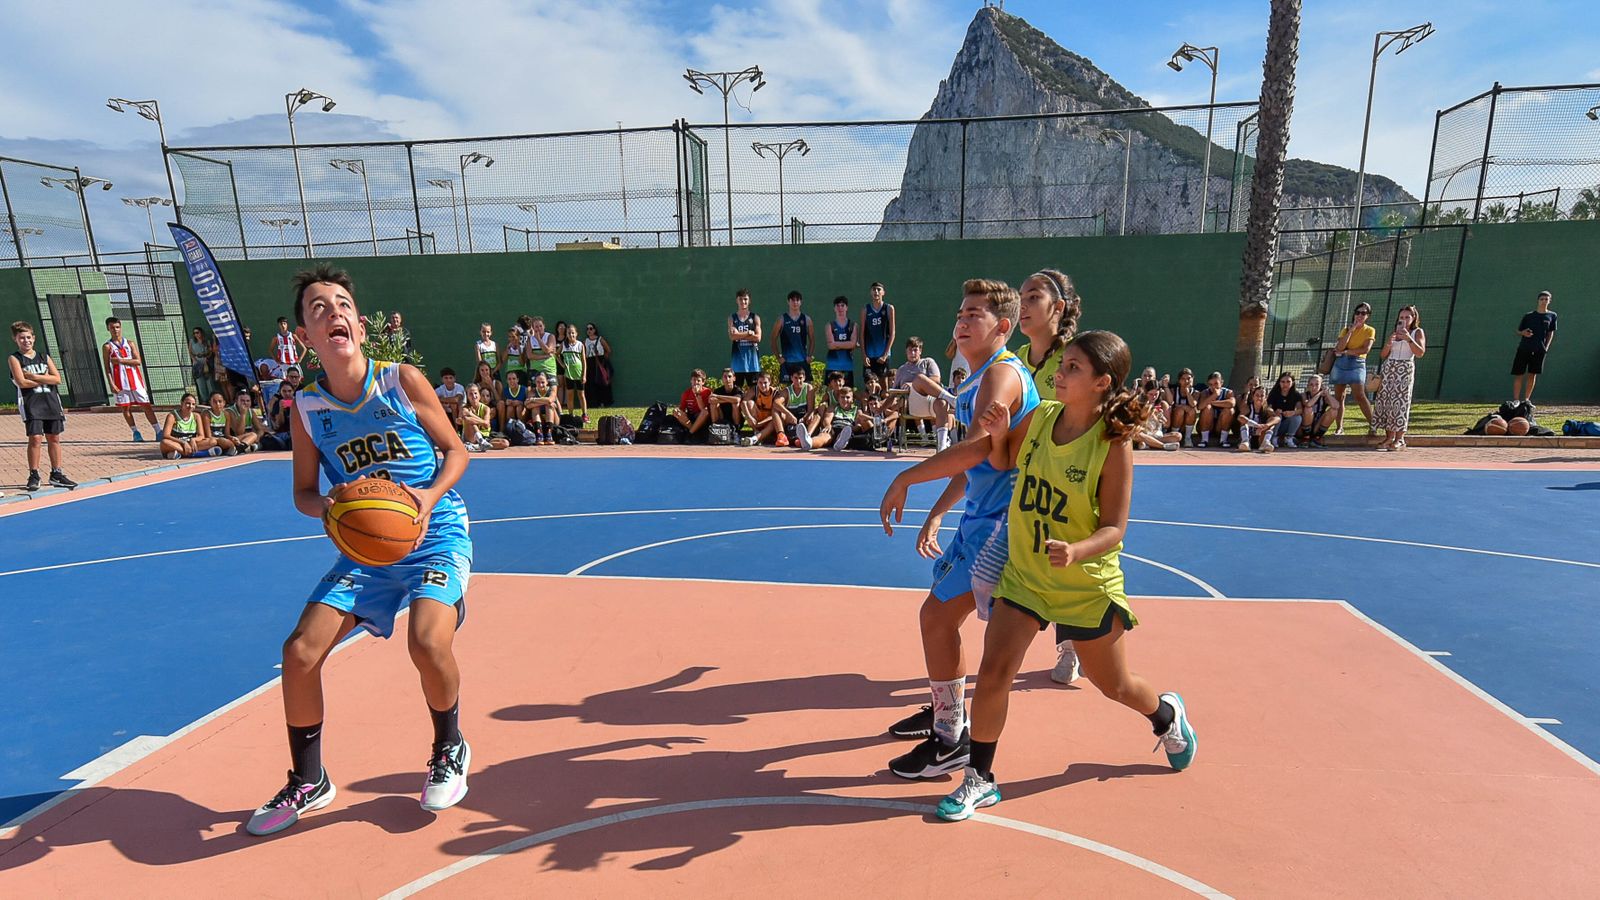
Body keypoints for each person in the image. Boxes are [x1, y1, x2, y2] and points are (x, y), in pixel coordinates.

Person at [880, 330, 1196, 822]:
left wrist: (1076, 549)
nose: (1060, 374)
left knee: (1113, 684)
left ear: (1101, 383)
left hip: (1083, 583)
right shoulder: (1042, 416)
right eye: (1062, 364)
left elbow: (1114, 527)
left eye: (1072, 368)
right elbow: (999, 460)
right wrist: (1001, 434)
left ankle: (1165, 715)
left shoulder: (1112, 445)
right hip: (1025, 574)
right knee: (994, 673)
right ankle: (980, 779)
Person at [245, 264, 472, 837]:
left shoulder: (401, 381)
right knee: (298, 653)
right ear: (304, 336)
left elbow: (456, 452)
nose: (333, 313)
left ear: (361, 326)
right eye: (318, 308)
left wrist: (425, 497)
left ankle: (450, 747)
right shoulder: (309, 409)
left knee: (426, 640)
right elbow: (302, 493)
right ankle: (309, 779)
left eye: (342, 304)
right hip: (366, 553)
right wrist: (331, 505)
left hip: (433, 532)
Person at [876, 278, 1040, 780]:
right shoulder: (976, 378)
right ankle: (948, 720)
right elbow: (978, 467)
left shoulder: (1003, 377)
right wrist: (938, 511)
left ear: (1003, 327)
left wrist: (906, 477)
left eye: (975, 314)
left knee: (937, 618)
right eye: (961, 313)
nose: (963, 321)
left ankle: (951, 736)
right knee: (939, 619)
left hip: (1004, 524)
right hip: (981, 517)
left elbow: (973, 450)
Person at [1010, 269, 1086, 683]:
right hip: (1021, 479)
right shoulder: (1017, 359)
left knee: (1062, 564)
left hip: (1064, 480)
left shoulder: (1075, 357)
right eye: (1021, 295)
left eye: (1033, 296)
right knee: (1021, 562)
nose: (1023, 303)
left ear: (1058, 308)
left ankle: (1070, 645)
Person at [9, 321, 77, 491]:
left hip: (51, 403)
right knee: (35, 439)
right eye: (22, 338)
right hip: (32, 404)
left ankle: (56, 473)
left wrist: (34, 376)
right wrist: (44, 377)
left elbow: (57, 379)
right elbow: (21, 382)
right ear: (15, 339)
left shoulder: (44, 357)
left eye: (28, 337)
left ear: (34, 338)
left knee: (54, 437)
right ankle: (34, 474)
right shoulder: (14, 358)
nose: (26, 341)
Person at [1374, 305, 1426, 452]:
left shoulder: (1417, 332)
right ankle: (1388, 437)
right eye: (1401, 317)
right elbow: (1383, 355)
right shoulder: (1395, 332)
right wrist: (1389, 343)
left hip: (1405, 369)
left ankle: (1399, 439)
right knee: (1388, 402)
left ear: (1414, 318)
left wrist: (1408, 338)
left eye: (1407, 317)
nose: (1404, 320)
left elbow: (1420, 352)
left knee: (1401, 403)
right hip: (1390, 368)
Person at [103, 316, 161, 442]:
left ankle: (158, 430)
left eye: (117, 327)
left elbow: (138, 361)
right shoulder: (107, 347)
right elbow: (107, 368)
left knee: (146, 405)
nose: (115, 330)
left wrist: (120, 360)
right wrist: (111, 384)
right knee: (125, 408)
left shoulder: (129, 343)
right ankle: (135, 432)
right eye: (112, 327)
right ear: (108, 328)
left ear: (121, 327)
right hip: (120, 382)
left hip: (135, 380)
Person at [1329, 303, 1377, 435]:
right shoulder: (1346, 329)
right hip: (1341, 364)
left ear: (1367, 316)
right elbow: (1339, 347)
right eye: (1358, 312)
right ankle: (1339, 428)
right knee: (1339, 396)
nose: (1360, 316)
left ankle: (1373, 425)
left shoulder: (1369, 330)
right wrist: (1351, 331)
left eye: (1364, 313)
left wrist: (1348, 352)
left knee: (1360, 395)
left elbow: (1365, 349)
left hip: (1357, 363)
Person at [1511, 291, 1556, 405]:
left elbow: (1550, 333)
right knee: (1519, 373)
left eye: (1546, 299)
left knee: (1532, 374)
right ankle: (1516, 400)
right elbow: (1518, 330)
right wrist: (1523, 333)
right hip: (1524, 348)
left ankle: (1526, 400)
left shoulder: (1552, 316)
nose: (1544, 301)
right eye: (1542, 299)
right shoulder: (1529, 316)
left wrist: (1546, 347)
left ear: (1549, 301)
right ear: (1538, 300)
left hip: (1539, 350)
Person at [160, 392, 222, 460]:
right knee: (164, 443)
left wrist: (193, 440)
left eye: (193, 404)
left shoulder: (196, 416)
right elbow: (166, 435)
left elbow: (201, 436)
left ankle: (180, 454)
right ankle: (200, 454)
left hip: (191, 444)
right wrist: (183, 442)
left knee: (213, 441)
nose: (190, 406)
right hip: (178, 444)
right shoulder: (172, 416)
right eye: (188, 403)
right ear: (182, 403)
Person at [740, 371, 791, 447]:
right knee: (749, 403)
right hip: (757, 422)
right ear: (757, 382)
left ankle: (755, 439)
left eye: (765, 383)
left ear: (770, 382)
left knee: (779, 416)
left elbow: (777, 415)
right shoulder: (754, 390)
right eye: (760, 383)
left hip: (770, 423)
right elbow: (743, 403)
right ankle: (756, 432)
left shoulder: (776, 394)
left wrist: (761, 423)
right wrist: (749, 417)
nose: (763, 385)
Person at [860, 281, 896, 384]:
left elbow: (892, 332)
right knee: (869, 385)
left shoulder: (889, 308)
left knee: (883, 385)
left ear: (883, 292)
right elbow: (861, 334)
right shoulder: (865, 310)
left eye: (878, 289)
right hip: (869, 354)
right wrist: (864, 355)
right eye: (874, 289)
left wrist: (885, 355)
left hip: (883, 355)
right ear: (870, 292)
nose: (876, 292)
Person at [773, 291, 813, 382]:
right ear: (788, 302)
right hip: (787, 362)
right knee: (788, 391)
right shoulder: (781, 319)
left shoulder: (807, 319)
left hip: (803, 361)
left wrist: (809, 356)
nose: (795, 302)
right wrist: (778, 357)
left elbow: (812, 339)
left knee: (806, 388)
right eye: (792, 300)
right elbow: (773, 340)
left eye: (797, 300)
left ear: (801, 302)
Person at [728, 290, 763, 389]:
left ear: (749, 301)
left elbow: (758, 338)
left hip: (753, 364)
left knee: (754, 393)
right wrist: (748, 333)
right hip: (737, 364)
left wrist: (739, 334)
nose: (743, 302)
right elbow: (732, 337)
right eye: (740, 299)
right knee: (736, 393)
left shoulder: (755, 317)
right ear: (736, 300)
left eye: (745, 299)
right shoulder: (732, 318)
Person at [1133, 380, 1180, 451]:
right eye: (1151, 394)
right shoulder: (1139, 404)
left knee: (1178, 436)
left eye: (1156, 394)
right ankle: (1163, 446)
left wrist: (1162, 419)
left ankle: (1149, 443)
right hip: (1144, 433)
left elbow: (1167, 425)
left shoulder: (1163, 404)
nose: (1154, 397)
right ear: (1145, 393)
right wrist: (1148, 413)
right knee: (1136, 434)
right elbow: (1136, 423)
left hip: (1157, 435)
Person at [459, 383, 507, 452]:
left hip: (485, 436)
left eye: (475, 393)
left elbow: (487, 424)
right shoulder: (465, 409)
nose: (474, 396)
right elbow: (483, 423)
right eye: (470, 394)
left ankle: (477, 446)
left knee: (505, 443)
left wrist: (471, 414)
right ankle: (479, 440)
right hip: (470, 437)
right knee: (469, 420)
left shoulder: (486, 408)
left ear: (479, 395)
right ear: (467, 396)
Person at [1193, 371, 1235, 448]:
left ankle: (1223, 440)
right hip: (1205, 426)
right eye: (1211, 384)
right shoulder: (1205, 392)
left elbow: (1231, 403)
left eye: (1216, 384)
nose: (1213, 387)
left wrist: (1213, 402)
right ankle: (1204, 440)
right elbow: (1200, 406)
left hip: (1220, 427)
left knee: (1229, 410)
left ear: (1221, 382)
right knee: (1207, 408)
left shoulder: (1228, 392)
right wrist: (1214, 395)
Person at [824, 296, 858, 388]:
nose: (840, 308)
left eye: (842, 305)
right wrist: (847, 344)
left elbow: (853, 344)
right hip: (832, 366)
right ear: (834, 308)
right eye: (837, 306)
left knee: (847, 394)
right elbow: (830, 346)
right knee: (831, 395)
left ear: (846, 308)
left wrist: (836, 344)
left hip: (847, 366)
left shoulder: (853, 325)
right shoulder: (829, 325)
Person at [1235, 385, 1279, 453]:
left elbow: (1277, 418)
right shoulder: (1248, 408)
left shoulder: (1267, 410)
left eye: (1262, 396)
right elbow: (1240, 417)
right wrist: (1256, 425)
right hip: (1248, 436)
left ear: (1266, 397)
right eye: (1257, 395)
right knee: (1243, 421)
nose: (1259, 398)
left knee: (1271, 422)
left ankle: (1265, 443)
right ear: (1253, 397)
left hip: (1260, 438)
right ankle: (1245, 442)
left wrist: (1266, 425)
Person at [1297, 374, 1337, 448]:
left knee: (1334, 411)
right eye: (1311, 384)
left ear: (1321, 385)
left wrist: (1327, 394)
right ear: (1308, 385)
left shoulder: (1324, 397)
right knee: (1308, 409)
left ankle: (1316, 439)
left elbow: (1336, 406)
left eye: (1317, 384)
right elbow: (1308, 404)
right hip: (1303, 428)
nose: (1314, 387)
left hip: (1317, 426)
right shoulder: (1304, 395)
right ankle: (1305, 439)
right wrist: (1319, 393)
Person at [672, 369, 713, 440]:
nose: (696, 382)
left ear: (703, 382)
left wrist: (697, 394)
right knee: (676, 412)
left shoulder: (707, 392)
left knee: (705, 411)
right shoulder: (686, 393)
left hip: (703, 418)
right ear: (691, 381)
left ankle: (690, 433)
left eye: (698, 381)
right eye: (694, 380)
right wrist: (678, 411)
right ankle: (694, 432)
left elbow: (703, 410)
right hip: (691, 418)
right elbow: (682, 410)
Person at [1266, 372, 1304, 449]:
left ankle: (1289, 438)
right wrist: (1274, 412)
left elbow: (1300, 410)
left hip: (1286, 424)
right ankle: (1274, 438)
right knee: (1278, 417)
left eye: (1288, 382)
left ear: (1292, 383)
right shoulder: (1274, 394)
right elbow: (1268, 408)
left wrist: (1293, 412)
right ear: (1279, 382)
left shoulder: (1296, 395)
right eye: (1283, 382)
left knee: (1297, 417)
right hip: (1275, 424)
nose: (1285, 384)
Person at [779, 366, 814, 447]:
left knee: (816, 416)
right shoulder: (787, 390)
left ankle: (807, 436)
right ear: (791, 378)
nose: (798, 381)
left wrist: (805, 417)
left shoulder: (809, 388)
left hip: (804, 418)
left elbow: (810, 409)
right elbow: (777, 403)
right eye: (795, 378)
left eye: (800, 378)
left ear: (804, 378)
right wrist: (789, 414)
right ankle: (781, 435)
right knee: (777, 411)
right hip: (792, 420)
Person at [558, 325, 587, 422]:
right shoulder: (564, 345)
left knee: (581, 395)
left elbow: (584, 361)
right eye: (569, 333)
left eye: (573, 333)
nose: (571, 335)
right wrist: (562, 365)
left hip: (579, 374)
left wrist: (584, 375)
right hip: (568, 374)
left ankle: (585, 414)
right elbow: (556, 355)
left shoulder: (580, 345)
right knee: (570, 395)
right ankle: (571, 415)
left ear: (576, 333)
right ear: (566, 334)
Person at [526, 371, 562, 445]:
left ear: (547, 382)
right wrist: (544, 401)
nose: (540, 384)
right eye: (538, 382)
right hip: (540, 420)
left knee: (548, 406)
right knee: (535, 408)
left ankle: (549, 434)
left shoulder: (552, 390)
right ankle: (539, 434)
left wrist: (534, 400)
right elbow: (527, 405)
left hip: (554, 420)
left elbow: (549, 400)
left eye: (542, 382)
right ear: (535, 382)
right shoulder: (532, 391)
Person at [583, 322, 613, 407]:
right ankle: (594, 403)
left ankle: (604, 402)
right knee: (591, 384)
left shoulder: (600, 339)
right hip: (590, 363)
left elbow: (608, 350)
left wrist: (603, 360)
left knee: (602, 382)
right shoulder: (585, 341)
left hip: (600, 362)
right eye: (587, 329)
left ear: (595, 330)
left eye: (591, 328)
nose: (589, 330)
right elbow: (584, 353)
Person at [262, 381, 297, 452]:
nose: (287, 393)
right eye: (284, 391)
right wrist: (281, 409)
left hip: (295, 433)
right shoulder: (278, 403)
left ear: (293, 392)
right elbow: (278, 425)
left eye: (289, 391)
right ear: (280, 392)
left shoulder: (298, 402)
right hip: (282, 434)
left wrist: (294, 406)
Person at [228, 388, 265, 453]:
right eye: (242, 401)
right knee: (253, 435)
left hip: (248, 439)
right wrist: (243, 414)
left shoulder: (251, 411)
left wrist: (256, 438)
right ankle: (240, 449)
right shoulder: (229, 412)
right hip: (235, 439)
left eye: (248, 401)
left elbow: (260, 429)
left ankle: (243, 447)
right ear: (236, 401)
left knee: (261, 437)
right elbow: (239, 432)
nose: (245, 403)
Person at [523, 317, 557, 386]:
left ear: (544, 326)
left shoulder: (550, 336)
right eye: (536, 327)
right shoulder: (530, 339)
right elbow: (530, 356)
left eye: (541, 326)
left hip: (549, 369)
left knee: (551, 392)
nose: (539, 328)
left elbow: (547, 350)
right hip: (535, 370)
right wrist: (545, 356)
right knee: (535, 392)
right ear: (533, 328)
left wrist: (538, 339)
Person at [1167, 368, 1198, 445]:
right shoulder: (1174, 390)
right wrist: (1182, 407)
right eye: (1183, 379)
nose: (1186, 381)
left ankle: (1187, 438)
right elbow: (1171, 403)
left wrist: (1187, 392)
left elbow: (1193, 404)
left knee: (1192, 411)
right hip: (1175, 422)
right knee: (1179, 411)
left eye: (1188, 379)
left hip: (1186, 423)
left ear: (1192, 379)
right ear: (1179, 381)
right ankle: (1174, 436)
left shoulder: (1196, 392)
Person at [205, 391, 241, 456]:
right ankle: (237, 449)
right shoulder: (206, 414)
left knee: (252, 435)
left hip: (224, 439)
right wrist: (223, 440)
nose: (218, 404)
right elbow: (208, 436)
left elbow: (227, 434)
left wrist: (232, 438)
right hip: (214, 440)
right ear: (210, 403)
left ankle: (239, 447)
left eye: (220, 401)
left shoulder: (226, 414)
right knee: (223, 441)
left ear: (224, 403)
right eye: (214, 402)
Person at [189, 326, 217, 401]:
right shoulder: (192, 341)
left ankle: (212, 399)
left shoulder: (206, 341)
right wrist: (194, 360)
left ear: (201, 333)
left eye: (197, 332)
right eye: (194, 333)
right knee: (200, 382)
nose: (196, 334)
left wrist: (207, 357)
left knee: (209, 381)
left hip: (206, 362)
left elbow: (210, 351)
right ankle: (204, 400)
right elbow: (190, 351)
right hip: (197, 362)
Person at [497, 369, 527, 434]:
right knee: (510, 408)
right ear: (507, 381)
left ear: (517, 380)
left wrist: (520, 403)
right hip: (510, 414)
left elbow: (528, 403)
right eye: (509, 379)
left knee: (519, 407)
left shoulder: (524, 389)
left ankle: (522, 430)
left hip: (522, 414)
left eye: (514, 378)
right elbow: (502, 402)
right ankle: (510, 430)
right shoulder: (505, 391)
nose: (512, 381)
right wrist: (506, 402)